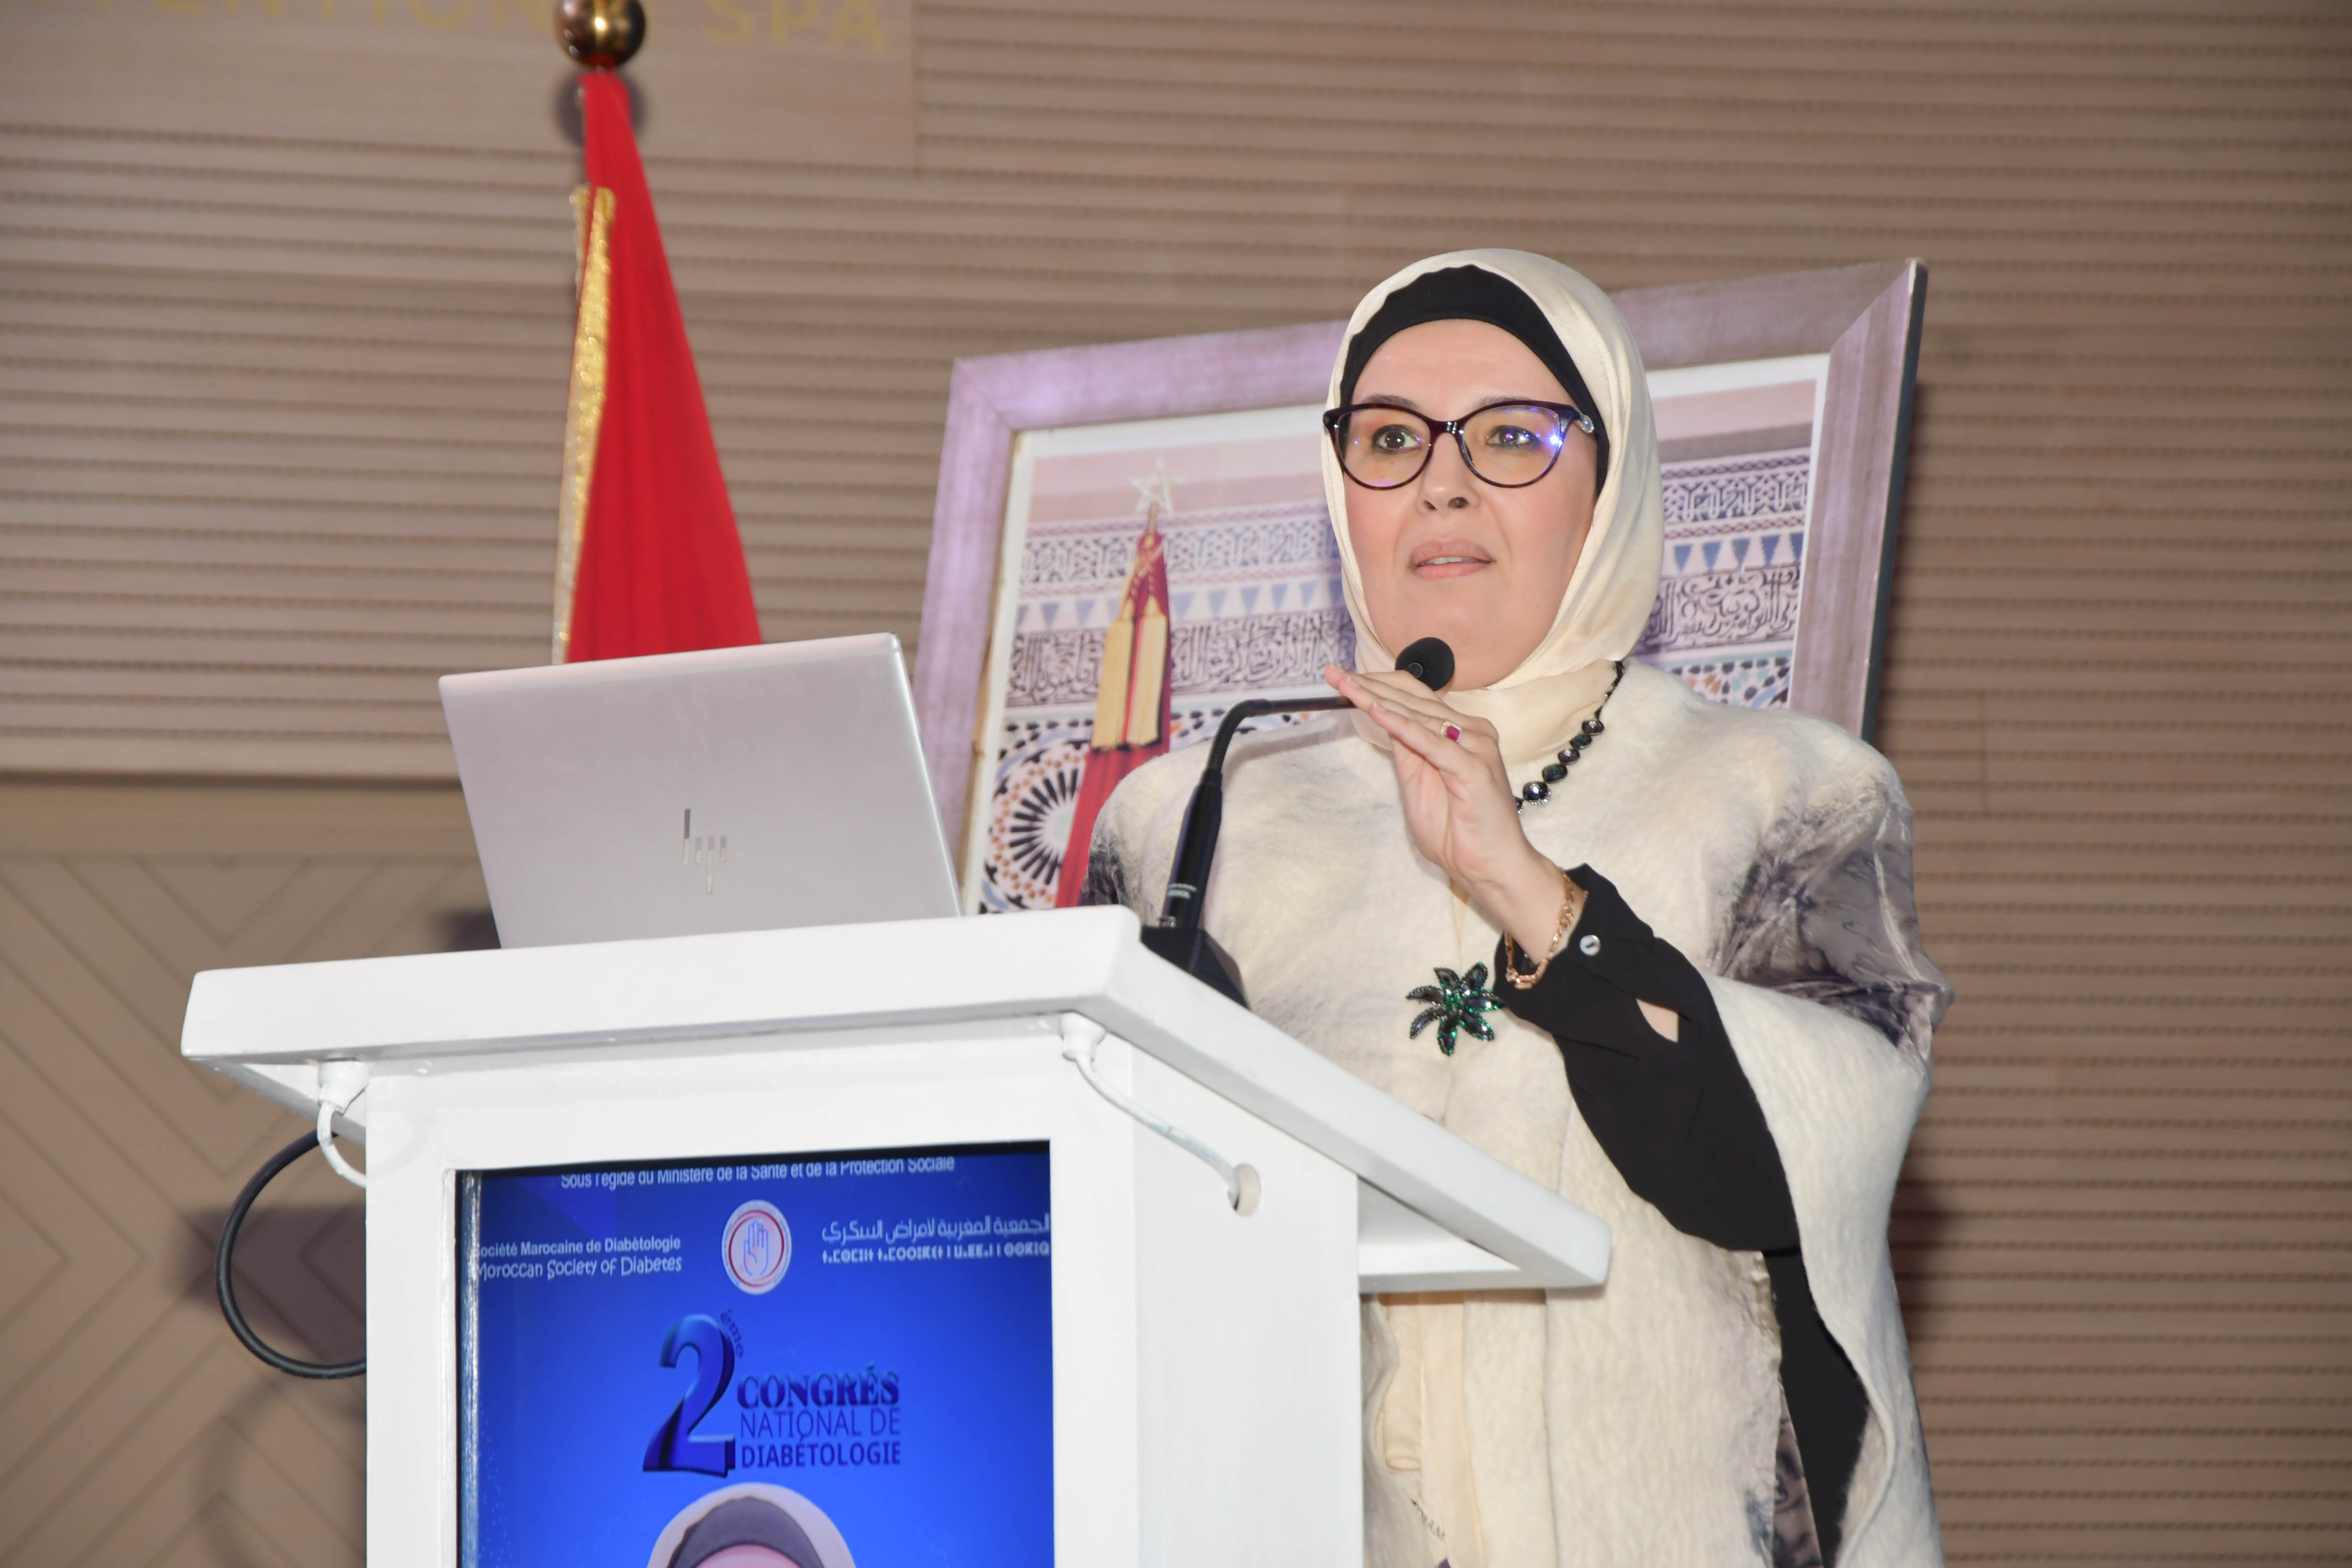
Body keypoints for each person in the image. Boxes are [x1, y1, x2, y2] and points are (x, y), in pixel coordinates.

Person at [1081, 250, 1951, 1568]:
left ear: (1611, 481)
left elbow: (1783, 1184)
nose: (1442, 482)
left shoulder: (1785, 793)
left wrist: (1531, 895)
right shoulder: (1191, 820)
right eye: (1391, 439)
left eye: (1510, 437)